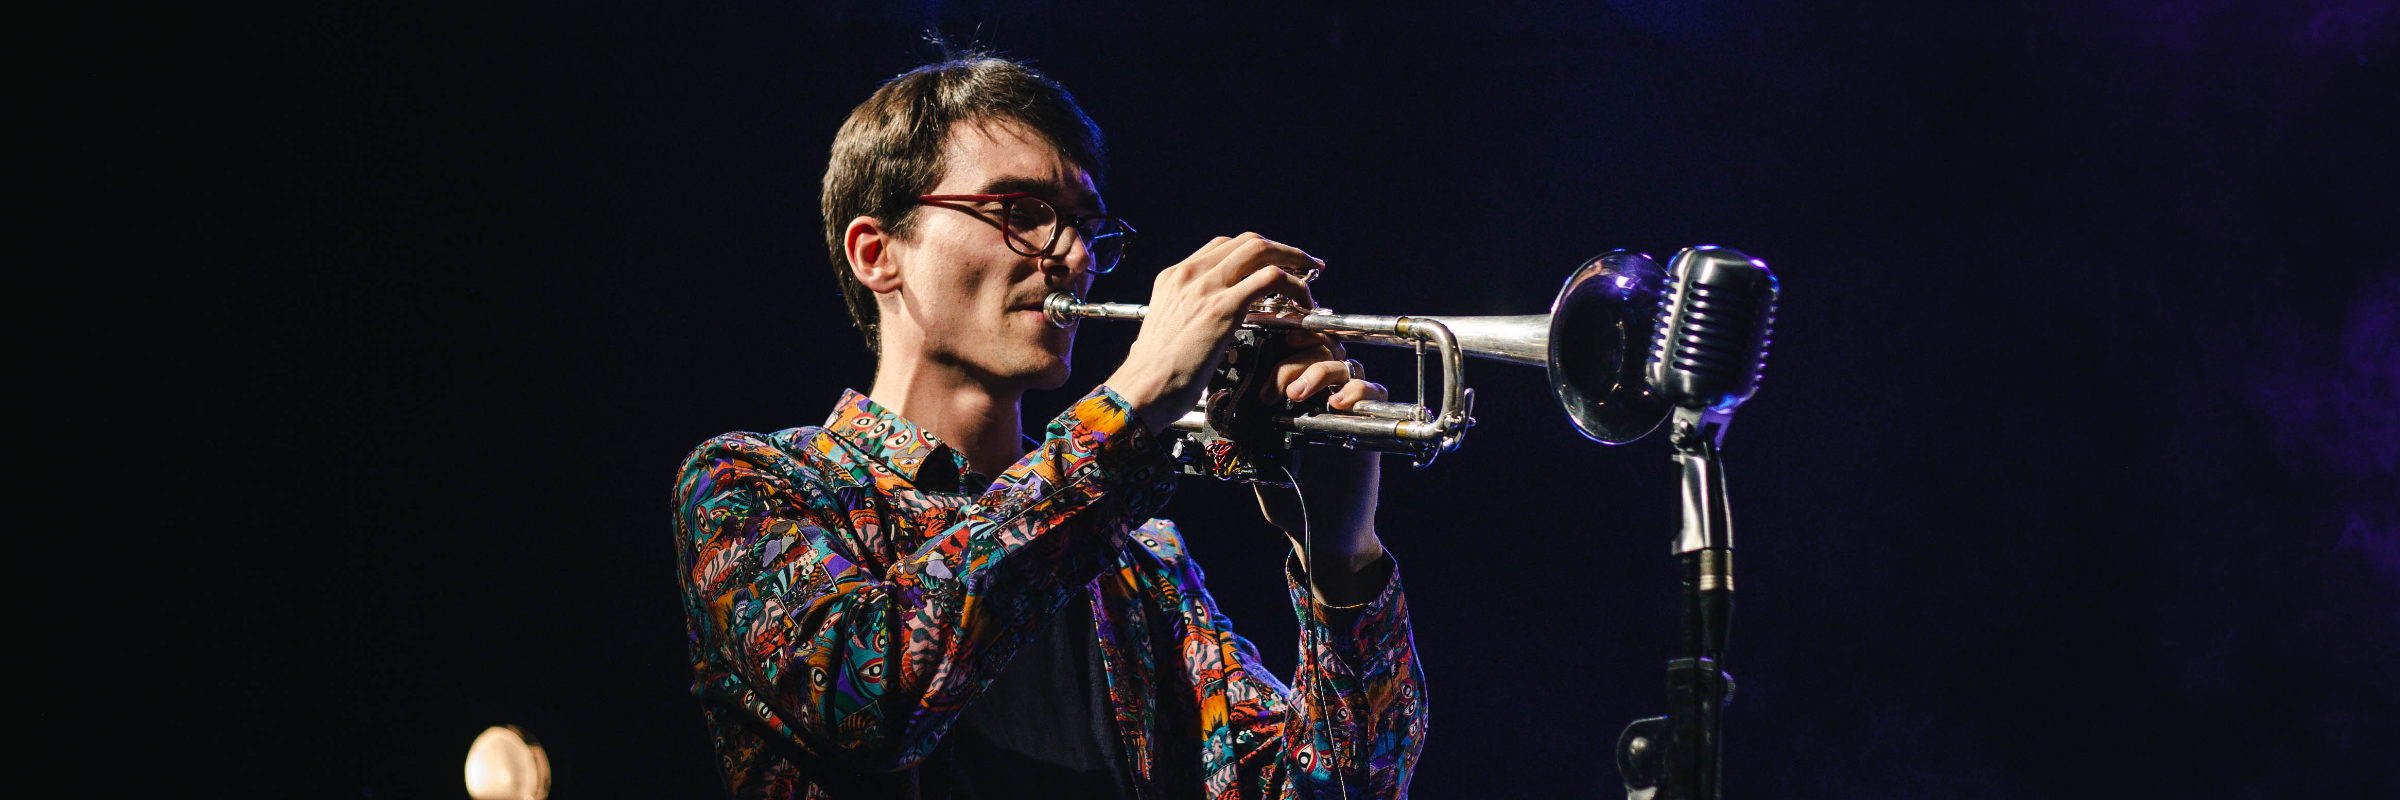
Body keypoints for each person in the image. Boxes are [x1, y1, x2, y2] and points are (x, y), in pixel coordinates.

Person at [672, 54, 1426, 800]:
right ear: (879, 254)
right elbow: (869, 704)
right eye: (1021, 213)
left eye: (1084, 226)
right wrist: (1139, 397)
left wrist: (1340, 556)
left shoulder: (1143, 563)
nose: (1070, 255)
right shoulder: (753, 485)